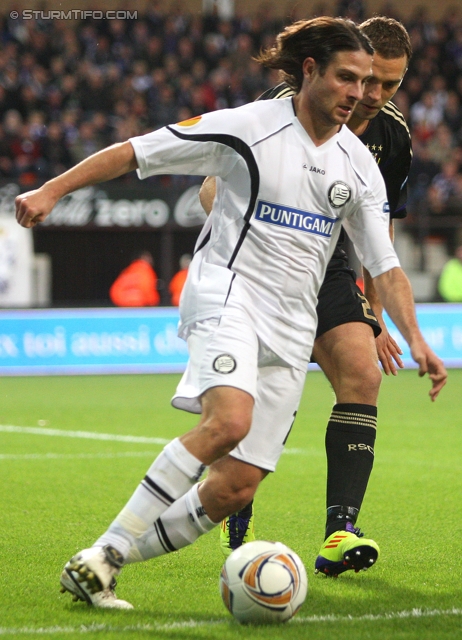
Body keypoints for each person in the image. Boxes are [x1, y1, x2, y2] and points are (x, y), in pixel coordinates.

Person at [16, 17, 446, 610]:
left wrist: (415, 336)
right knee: (229, 422)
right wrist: (51, 191)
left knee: (236, 485)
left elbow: (386, 261)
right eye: (346, 77)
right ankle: (104, 551)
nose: (357, 92)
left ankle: (105, 562)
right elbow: (134, 153)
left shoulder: (359, 163)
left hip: (294, 328)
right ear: (309, 71)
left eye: (368, 80)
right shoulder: (249, 127)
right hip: (230, 294)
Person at [201, 16, 415, 565]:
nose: (374, 95)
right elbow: (212, 189)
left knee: (363, 373)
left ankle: (341, 532)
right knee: (261, 397)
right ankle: (236, 513)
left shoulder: (392, 136)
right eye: (369, 81)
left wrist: (378, 315)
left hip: (333, 267)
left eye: (390, 84)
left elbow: (378, 234)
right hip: (261, 266)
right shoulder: (288, 103)